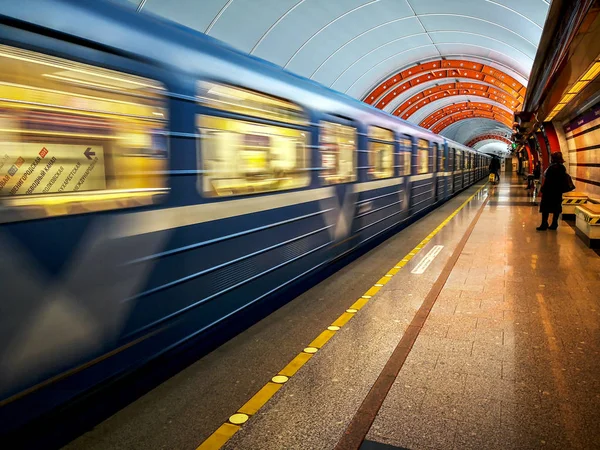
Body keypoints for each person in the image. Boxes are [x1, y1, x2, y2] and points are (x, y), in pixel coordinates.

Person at [537, 152, 566, 231]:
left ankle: (544, 223)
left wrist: (543, 188)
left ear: (553, 158)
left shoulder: (551, 168)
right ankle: (554, 223)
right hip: (558, 191)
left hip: (549, 191)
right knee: (556, 207)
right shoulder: (563, 168)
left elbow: (547, 178)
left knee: (545, 208)